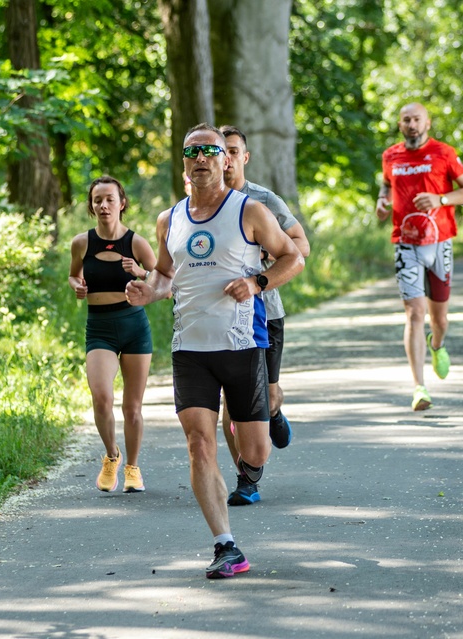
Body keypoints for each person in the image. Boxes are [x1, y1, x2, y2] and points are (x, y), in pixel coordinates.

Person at [126, 123, 304, 579]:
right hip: (190, 350)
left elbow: (293, 256)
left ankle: (266, 430)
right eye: (192, 151)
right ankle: (226, 545)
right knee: (199, 443)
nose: (202, 157)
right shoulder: (170, 219)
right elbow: (165, 277)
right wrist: (149, 292)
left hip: (244, 346)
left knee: (255, 453)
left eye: (211, 150)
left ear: (227, 160)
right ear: (184, 162)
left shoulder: (251, 211)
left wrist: (257, 282)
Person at [219, 124, 311, 507]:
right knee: (229, 404)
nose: (225, 159)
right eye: (219, 152)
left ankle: (273, 413)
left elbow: (300, 246)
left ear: (244, 156)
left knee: (267, 396)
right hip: (220, 317)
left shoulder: (264, 200)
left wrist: (262, 270)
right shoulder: (200, 202)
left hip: (264, 313)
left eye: (233, 151)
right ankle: (246, 478)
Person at [375, 103, 463, 412]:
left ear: (427, 123)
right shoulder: (391, 156)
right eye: (406, 119)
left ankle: (438, 344)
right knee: (414, 314)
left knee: (440, 319)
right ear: (400, 124)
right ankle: (419, 387)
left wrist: (441, 199)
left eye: (416, 118)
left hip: (440, 243)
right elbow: (385, 186)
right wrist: (382, 202)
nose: (411, 124)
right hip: (405, 243)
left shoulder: (444, 153)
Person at [69, 176, 157, 494]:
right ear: (92, 207)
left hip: (134, 326)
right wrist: (76, 286)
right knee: (102, 398)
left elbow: (162, 277)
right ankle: (111, 456)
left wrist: (141, 272)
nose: (104, 205)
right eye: (97, 200)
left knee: (132, 407)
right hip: (100, 328)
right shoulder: (82, 243)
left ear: (122, 203)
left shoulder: (136, 243)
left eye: (109, 199)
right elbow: (73, 274)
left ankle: (133, 468)